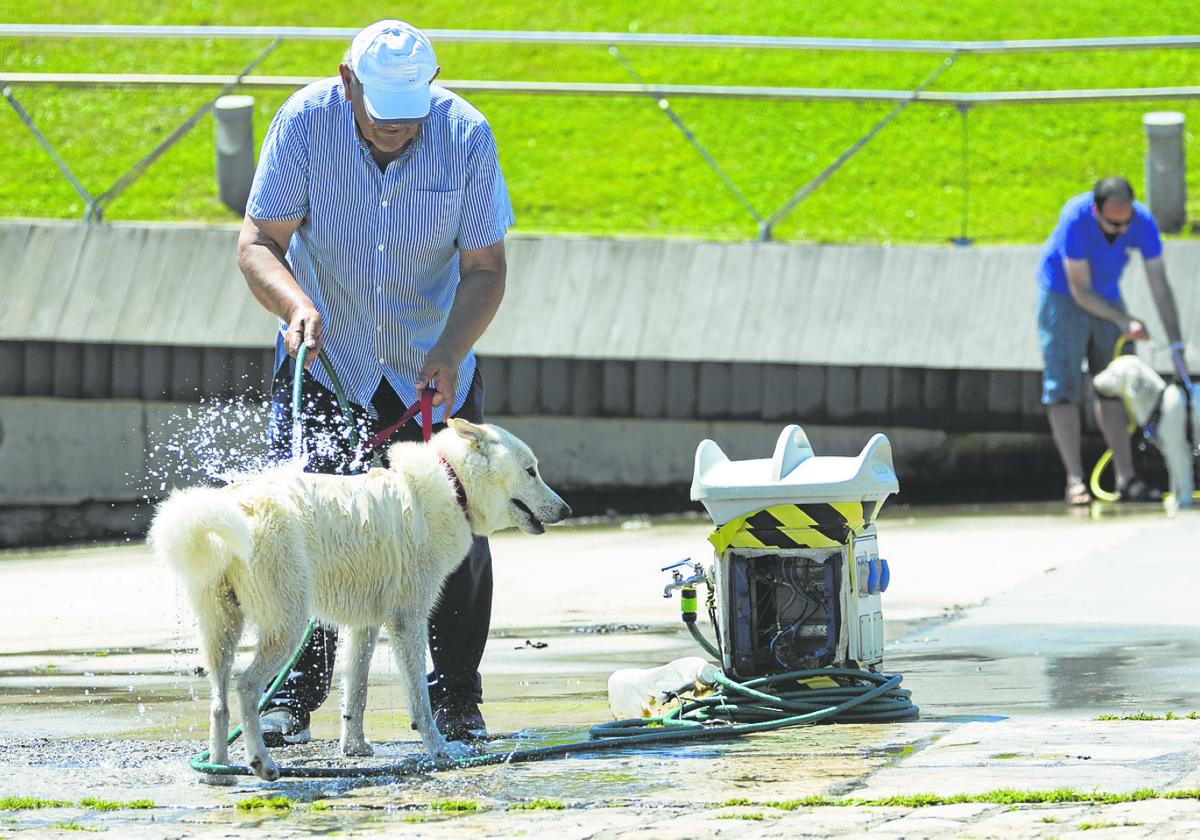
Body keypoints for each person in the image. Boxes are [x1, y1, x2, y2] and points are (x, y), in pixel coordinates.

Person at [236, 19, 513, 744]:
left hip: (434, 364)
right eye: (380, 115)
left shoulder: (466, 134)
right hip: (329, 359)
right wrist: (295, 304)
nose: (395, 131)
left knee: (457, 533)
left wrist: (452, 348)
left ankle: (455, 697)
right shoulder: (302, 124)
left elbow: (485, 268)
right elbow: (260, 241)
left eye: (408, 116)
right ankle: (291, 696)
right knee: (303, 529)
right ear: (346, 80)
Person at [1036, 176, 1185, 506]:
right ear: (1096, 210)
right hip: (1062, 295)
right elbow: (1079, 289)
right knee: (1063, 386)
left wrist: (1176, 344)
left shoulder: (1141, 222)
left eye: (1125, 222)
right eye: (1112, 223)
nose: (1121, 230)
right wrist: (1124, 321)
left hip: (1106, 294)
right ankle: (1075, 480)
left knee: (1116, 384)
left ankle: (1126, 478)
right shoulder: (1075, 217)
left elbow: (1159, 284)